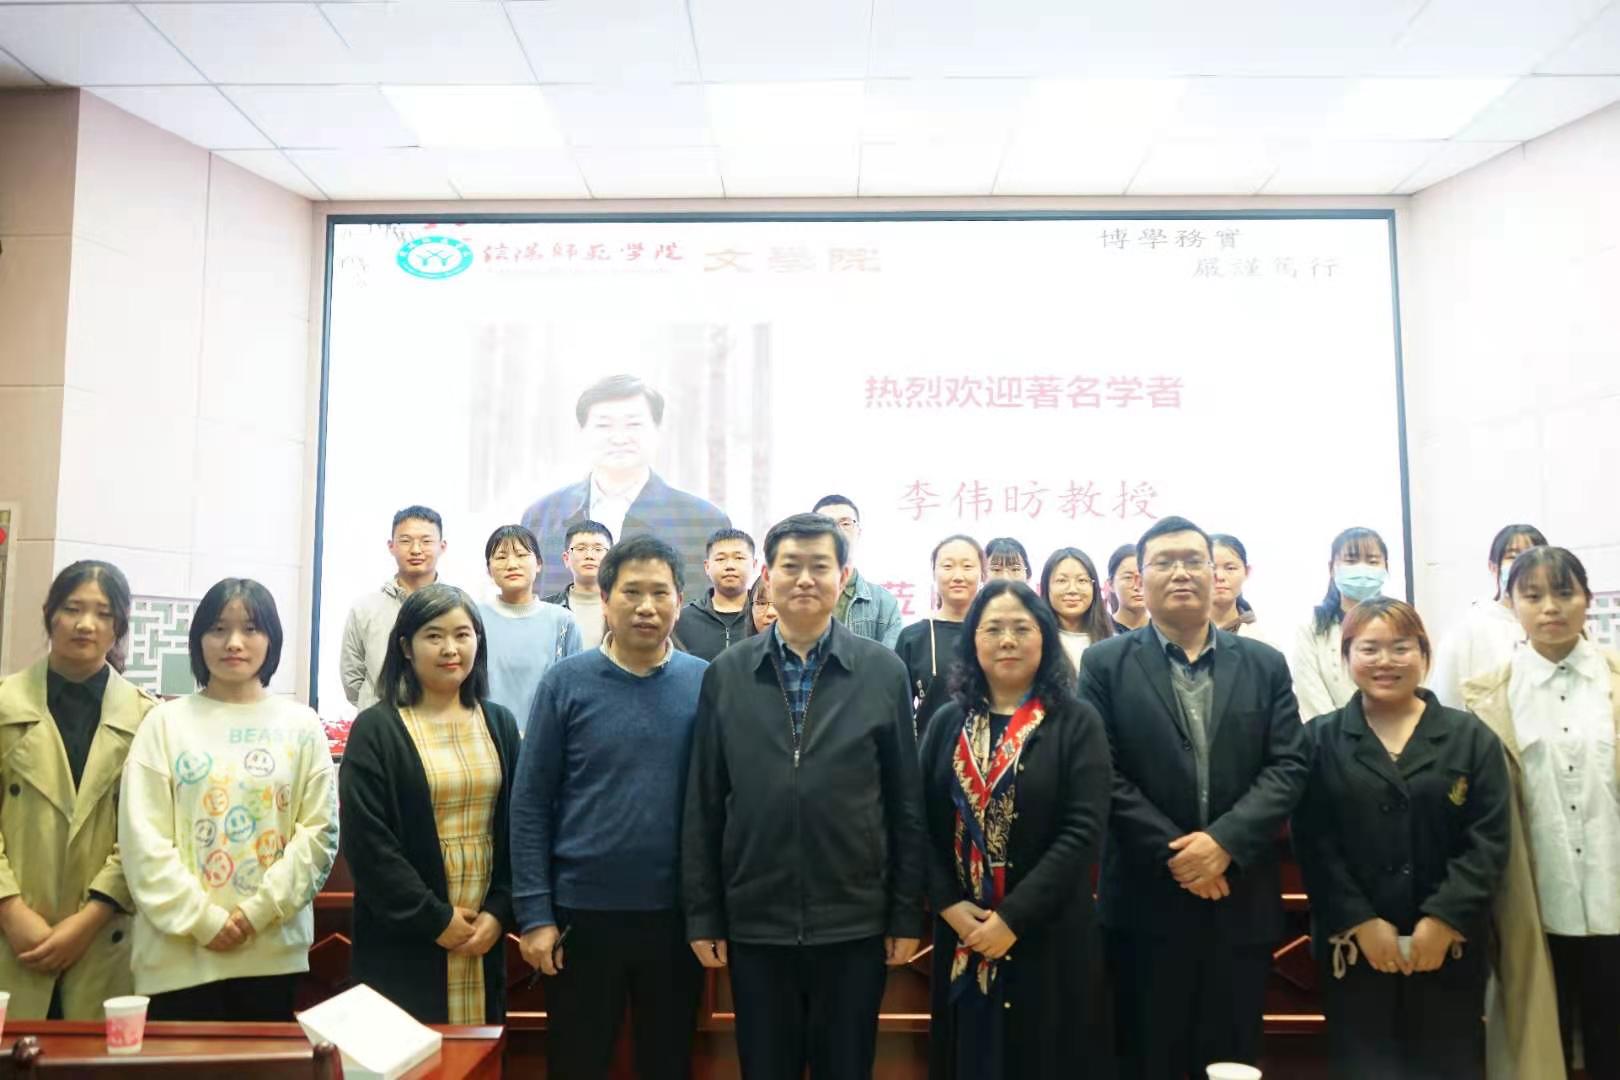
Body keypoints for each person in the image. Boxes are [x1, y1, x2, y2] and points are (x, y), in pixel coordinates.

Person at [682, 513, 927, 1079]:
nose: (805, 579)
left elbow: (905, 803)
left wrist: (903, 912)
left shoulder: (882, 671)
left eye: (820, 566)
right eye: (790, 565)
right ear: (767, 577)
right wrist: (704, 914)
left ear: (844, 577)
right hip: (756, 921)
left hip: (854, 922)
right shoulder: (727, 673)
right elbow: (705, 801)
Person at [1078, 516, 1310, 1080]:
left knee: (1232, 1060)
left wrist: (1224, 843)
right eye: (1164, 562)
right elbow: (1102, 773)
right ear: (1138, 580)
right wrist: (1182, 856)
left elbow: (1289, 765)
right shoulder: (1104, 664)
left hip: (1239, 902)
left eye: (1193, 560)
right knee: (1145, 1059)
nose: (1180, 572)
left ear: (1215, 573)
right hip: (1144, 904)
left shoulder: (1264, 663)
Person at [1290, 598, 1509, 1079]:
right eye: (1369, 649)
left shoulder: (1471, 737)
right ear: (1346, 657)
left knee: (1449, 1065)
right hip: (1354, 949)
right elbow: (1314, 843)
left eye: (1401, 647)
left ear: (1424, 654)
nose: (1385, 661)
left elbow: (1488, 839)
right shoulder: (1318, 740)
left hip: (1449, 948)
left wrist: (1444, 918)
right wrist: (1360, 921)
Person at [513, 536, 707, 1079]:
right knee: (577, 1062)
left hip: (675, 919)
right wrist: (535, 915)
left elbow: (719, 803)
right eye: (631, 592)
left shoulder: (704, 682)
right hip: (582, 914)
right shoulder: (565, 683)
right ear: (604, 598)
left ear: (679, 601)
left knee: (668, 1063)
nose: (646, 607)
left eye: (660, 593)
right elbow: (530, 804)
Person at [918, 580, 1114, 1080]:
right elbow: (917, 823)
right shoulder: (946, 722)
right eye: (993, 629)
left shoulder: (1077, 722)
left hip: (1049, 934)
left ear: (1045, 637)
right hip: (962, 932)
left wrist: (1011, 919)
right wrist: (949, 907)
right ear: (973, 640)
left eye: (1022, 628)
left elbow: (1083, 830)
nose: (1007, 640)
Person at [119, 579, 338, 1021]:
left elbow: (319, 835)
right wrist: (203, 920)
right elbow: (142, 839)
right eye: (218, 629)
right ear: (199, 639)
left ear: (271, 639)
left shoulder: (301, 725)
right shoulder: (164, 722)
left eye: (251, 628)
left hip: (271, 954)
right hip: (176, 957)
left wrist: (257, 912)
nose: (233, 642)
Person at [1464, 546, 1615, 1080]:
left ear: (1587, 599)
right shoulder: (1487, 697)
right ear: (1511, 604)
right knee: (1541, 1049)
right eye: (1533, 595)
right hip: (1534, 900)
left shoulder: (1615, 681)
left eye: (1564, 592)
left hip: (1613, 894)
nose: (1550, 607)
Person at [339, 585, 520, 1024]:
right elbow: (369, 844)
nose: (450, 649)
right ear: (406, 647)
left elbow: (520, 827)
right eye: (434, 636)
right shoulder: (376, 729)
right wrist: (434, 919)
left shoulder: (499, 722)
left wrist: (499, 912)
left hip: (483, 930)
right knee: (405, 1048)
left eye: (462, 634)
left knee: (477, 1051)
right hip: (404, 931)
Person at [0, 561, 156, 1020]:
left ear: (119, 627)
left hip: (104, 938)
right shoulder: (5, 704)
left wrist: (89, 920)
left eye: (103, 613)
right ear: (50, 615)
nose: (86, 624)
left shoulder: (147, 718)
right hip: (12, 935)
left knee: (95, 1056)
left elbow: (146, 834)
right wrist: (10, 909)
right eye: (72, 608)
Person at [521, 374, 731, 598]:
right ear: (580, 432)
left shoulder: (702, 521)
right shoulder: (542, 517)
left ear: (658, 430)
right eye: (604, 425)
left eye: (634, 424)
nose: (619, 438)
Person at [1428, 524, 1548, 709]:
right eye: (1513, 556)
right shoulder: (1467, 631)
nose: (1524, 564)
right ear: (1493, 567)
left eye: (1533, 555)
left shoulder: (1561, 624)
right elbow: (1446, 702)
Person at [341, 505, 446, 711]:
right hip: (379, 722)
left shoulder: (456, 608)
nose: (416, 550)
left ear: (442, 546)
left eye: (426, 541)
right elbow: (352, 678)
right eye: (406, 541)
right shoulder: (365, 609)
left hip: (438, 720)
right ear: (391, 546)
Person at [477, 524, 581, 732]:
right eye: (501, 557)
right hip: (486, 737)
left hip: (545, 739)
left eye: (522, 555)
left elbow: (575, 690)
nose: (512, 564)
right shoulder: (473, 618)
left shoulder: (563, 621)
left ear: (539, 564)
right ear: (488, 569)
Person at [1291, 527, 1390, 722]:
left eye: (1372, 561)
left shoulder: (1402, 624)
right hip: (1331, 736)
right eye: (1351, 561)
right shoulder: (1313, 629)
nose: (1362, 569)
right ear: (1332, 568)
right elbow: (1311, 697)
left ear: (1385, 566)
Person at [895, 535, 986, 734]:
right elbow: (897, 713)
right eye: (947, 566)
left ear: (982, 574)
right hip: (929, 750)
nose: (958, 576)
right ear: (934, 573)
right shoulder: (912, 638)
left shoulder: (994, 634)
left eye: (967, 566)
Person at [812, 495, 904, 648]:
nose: (836, 531)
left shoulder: (883, 602)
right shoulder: (794, 595)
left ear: (858, 532)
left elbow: (891, 660)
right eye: (826, 524)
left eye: (845, 523)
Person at [675, 528, 756, 661]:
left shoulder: (765, 616)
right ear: (707, 566)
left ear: (754, 564)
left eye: (739, 558)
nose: (730, 566)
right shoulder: (683, 620)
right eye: (720, 559)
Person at [1038, 546, 1116, 679]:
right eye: (1062, 580)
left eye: (1082, 580)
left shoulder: (1114, 642)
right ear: (1046, 586)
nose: (1072, 590)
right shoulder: (1036, 641)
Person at [542, 521, 613, 650]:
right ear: (566, 559)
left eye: (598, 549)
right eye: (580, 549)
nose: (589, 556)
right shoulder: (546, 609)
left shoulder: (623, 607)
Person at [1208, 534, 1269, 643]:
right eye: (1211, 568)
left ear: (1247, 572)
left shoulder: (1263, 638)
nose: (1220, 576)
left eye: (1230, 568)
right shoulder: (1179, 632)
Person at [1105, 544, 1149, 634]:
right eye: (1128, 577)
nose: (1137, 587)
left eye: (1143, 576)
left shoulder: (1165, 631)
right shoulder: (1101, 631)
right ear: (1111, 584)